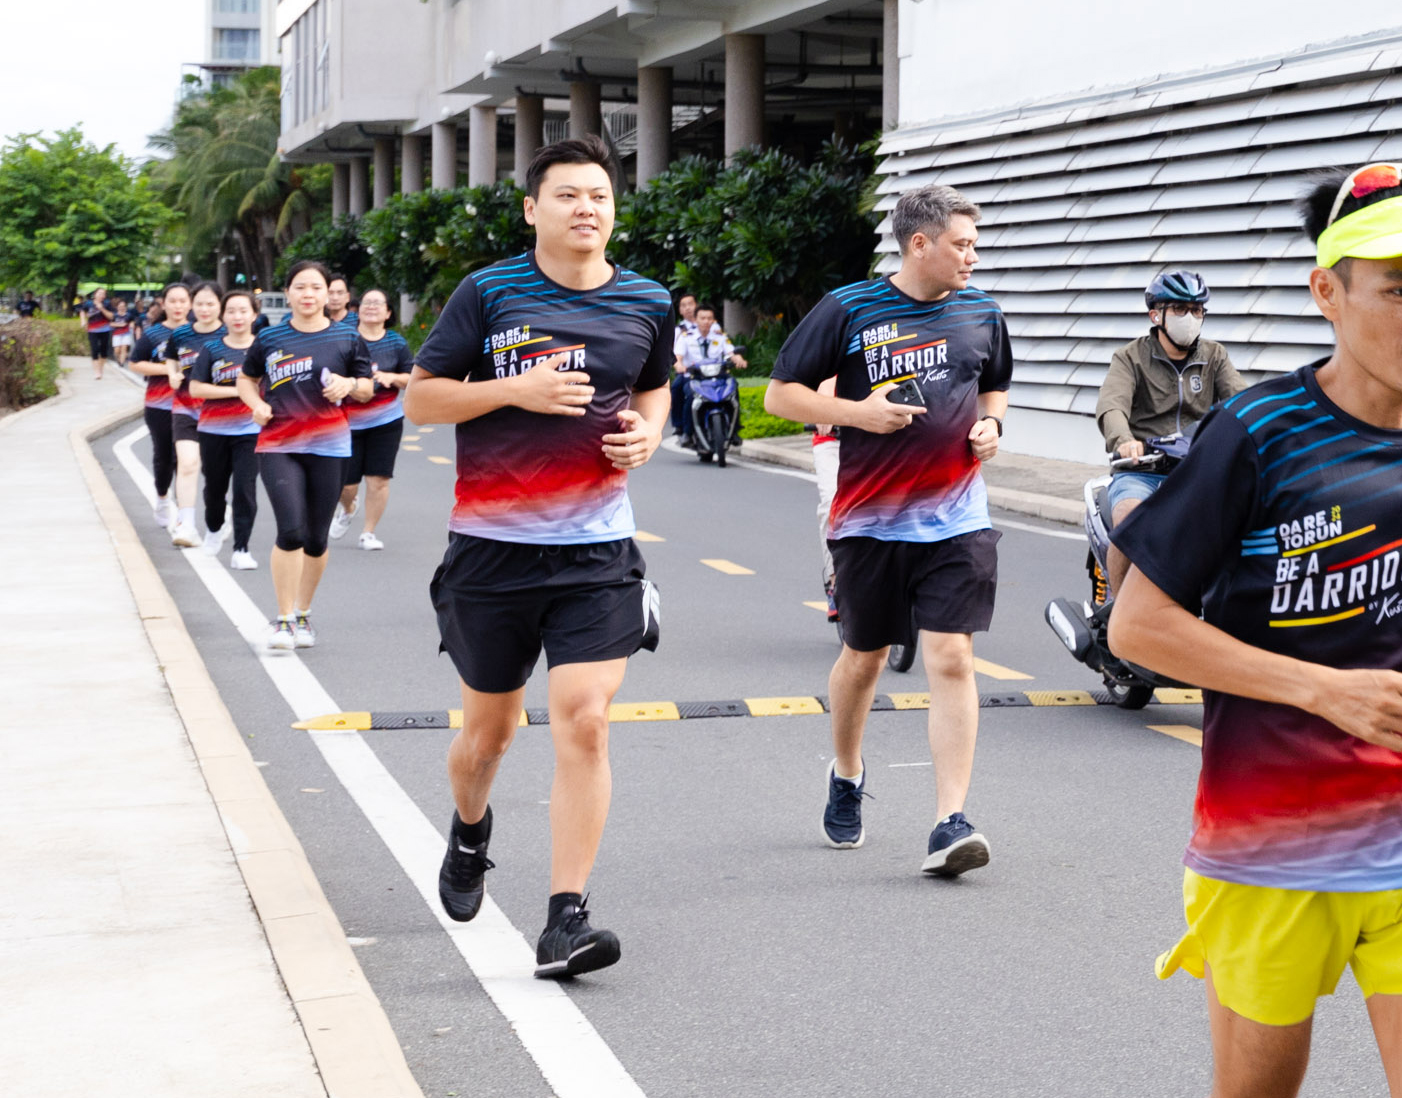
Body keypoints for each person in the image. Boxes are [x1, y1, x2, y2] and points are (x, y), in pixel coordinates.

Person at [1107, 161, 1402, 1098]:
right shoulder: (1260, 431)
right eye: (1399, 288)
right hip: (1273, 845)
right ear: (1330, 291)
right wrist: (1322, 689)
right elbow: (1138, 627)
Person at [404, 135, 672, 980]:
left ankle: (566, 919)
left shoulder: (646, 300)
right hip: (492, 552)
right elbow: (420, 396)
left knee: (585, 720)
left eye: (599, 194)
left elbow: (655, 384)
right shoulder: (489, 293)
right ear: (533, 208)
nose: (586, 207)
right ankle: (470, 830)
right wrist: (512, 389)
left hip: (596, 551)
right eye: (567, 195)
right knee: (485, 739)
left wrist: (650, 433)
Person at [764, 183, 1011, 876]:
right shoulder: (849, 309)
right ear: (919, 244)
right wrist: (857, 413)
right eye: (961, 244)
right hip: (870, 521)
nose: (972, 256)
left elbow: (994, 383)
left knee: (953, 658)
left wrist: (992, 423)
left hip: (958, 517)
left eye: (975, 244)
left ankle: (949, 820)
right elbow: (779, 394)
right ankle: (846, 771)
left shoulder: (983, 313)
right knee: (865, 658)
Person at [237, 259, 372, 649]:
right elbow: (247, 379)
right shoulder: (269, 339)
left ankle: (302, 613)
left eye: (316, 287)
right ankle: (281, 621)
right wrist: (255, 405)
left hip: (330, 446)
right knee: (291, 530)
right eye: (300, 287)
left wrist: (348, 384)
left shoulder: (347, 339)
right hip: (279, 444)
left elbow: (366, 388)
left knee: (315, 538)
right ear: (289, 293)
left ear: (327, 293)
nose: (308, 294)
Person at [1096, 270, 1244, 595]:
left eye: (1196, 310)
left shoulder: (1214, 356)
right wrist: (1124, 442)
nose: (1189, 317)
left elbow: (1242, 403)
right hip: (1143, 471)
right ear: (1156, 314)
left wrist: (1264, 433)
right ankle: (1122, 615)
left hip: (1199, 471)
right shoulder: (1130, 357)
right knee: (1129, 519)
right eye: (1179, 309)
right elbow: (1112, 405)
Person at [330, 288, 414, 550]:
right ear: (358, 309)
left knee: (379, 479)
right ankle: (348, 508)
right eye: (367, 302)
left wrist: (393, 378)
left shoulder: (396, 343)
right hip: (347, 422)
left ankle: (368, 532)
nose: (371, 307)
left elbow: (413, 378)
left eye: (378, 303)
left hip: (386, 421)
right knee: (347, 484)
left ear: (388, 312)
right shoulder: (344, 340)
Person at [189, 290, 262, 569]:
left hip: (250, 431)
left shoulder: (263, 348)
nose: (238, 316)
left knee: (245, 488)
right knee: (214, 488)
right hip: (213, 430)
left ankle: (241, 548)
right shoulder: (212, 349)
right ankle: (214, 528)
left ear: (254, 314)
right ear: (223, 315)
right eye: (231, 311)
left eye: (243, 311)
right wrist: (239, 389)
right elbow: (196, 387)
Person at [164, 282, 226, 548]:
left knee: (217, 475)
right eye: (199, 303)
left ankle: (222, 513)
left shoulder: (229, 334)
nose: (204, 309)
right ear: (192, 305)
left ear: (220, 306)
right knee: (188, 463)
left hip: (222, 414)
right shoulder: (180, 334)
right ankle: (185, 524)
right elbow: (171, 359)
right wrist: (173, 374)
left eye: (210, 303)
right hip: (186, 408)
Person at [127, 283, 191, 528]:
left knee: (186, 460)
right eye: (172, 301)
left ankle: (183, 509)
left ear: (190, 303)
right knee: (164, 457)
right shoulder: (154, 334)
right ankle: (163, 497)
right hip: (160, 406)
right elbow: (135, 363)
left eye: (182, 301)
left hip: (192, 407)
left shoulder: (199, 333)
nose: (177, 306)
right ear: (163, 304)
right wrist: (169, 368)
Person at [670, 302, 747, 446]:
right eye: (702, 318)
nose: (706, 322)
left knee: (733, 388)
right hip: (695, 377)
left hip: (717, 376)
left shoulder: (720, 337)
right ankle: (686, 431)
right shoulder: (686, 337)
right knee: (690, 396)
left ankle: (735, 430)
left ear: (713, 320)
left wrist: (738, 359)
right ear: (696, 319)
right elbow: (677, 358)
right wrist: (679, 366)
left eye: (709, 318)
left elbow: (731, 353)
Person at [813, 376, 840, 623]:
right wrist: (824, 405)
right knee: (833, 505)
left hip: (883, 439)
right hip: (834, 439)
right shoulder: (841, 338)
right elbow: (826, 380)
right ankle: (835, 582)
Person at [80, 288, 114, 379]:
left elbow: (111, 316)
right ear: (95, 294)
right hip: (92, 330)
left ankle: (100, 369)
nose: (101, 295)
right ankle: (96, 372)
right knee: (94, 350)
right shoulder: (88, 303)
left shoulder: (107, 304)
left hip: (105, 330)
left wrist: (102, 308)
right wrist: (83, 321)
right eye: (99, 293)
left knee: (103, 351)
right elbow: (82, 311)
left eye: (103, 294)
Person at [111, 298, 134, 367]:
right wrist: (120, 324)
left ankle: (122, 363)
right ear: (117, 307)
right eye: (120, 306)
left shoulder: (129, 315)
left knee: (124, 348)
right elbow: (111, 324)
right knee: (117, 350)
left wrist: (131, 324)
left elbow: (132, 321)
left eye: (123, 306)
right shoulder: (114, 315)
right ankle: (118, 359)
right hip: (116, 334)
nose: (122, 308)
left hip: (126, 333)